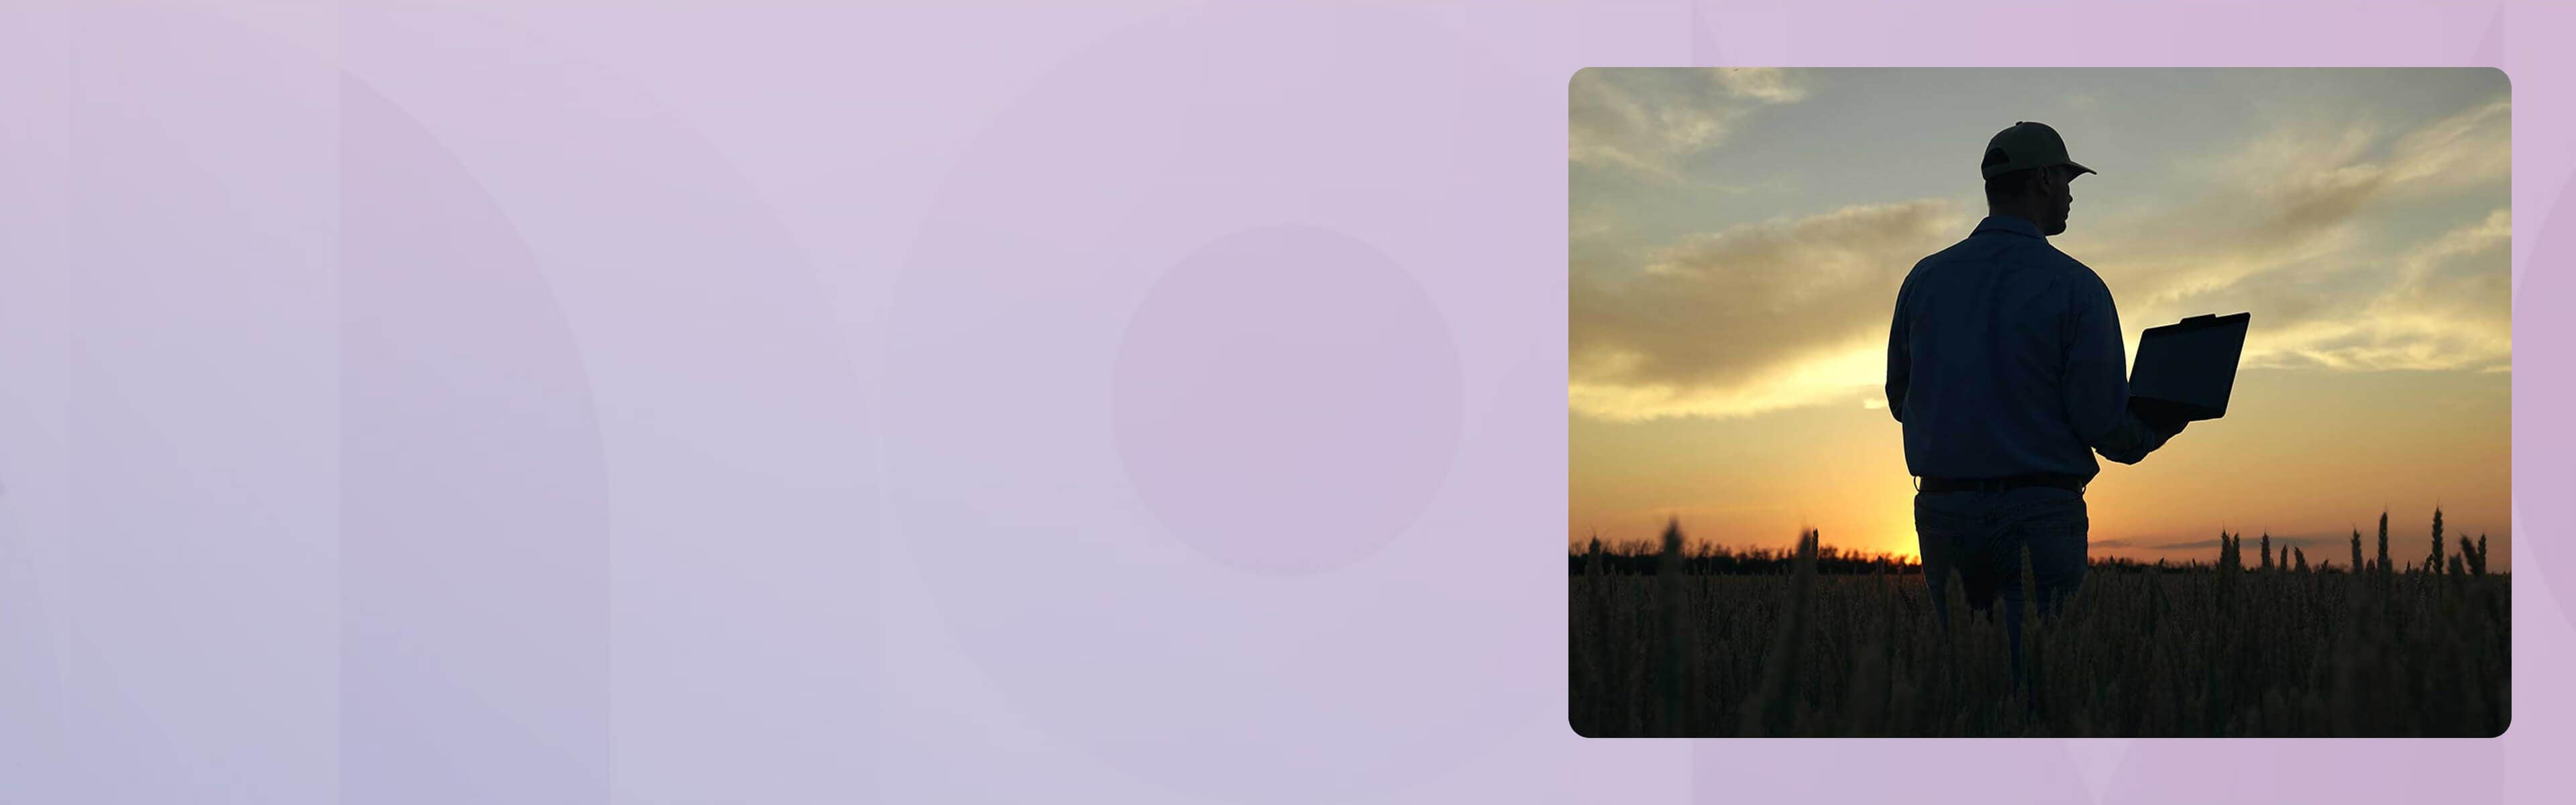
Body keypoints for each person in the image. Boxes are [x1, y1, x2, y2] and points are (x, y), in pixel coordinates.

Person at [1883, 121, 2189, 675]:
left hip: (1944, 512)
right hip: (2041, 515)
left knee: (1969, 695)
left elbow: (1900, 397)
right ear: (2044, 180)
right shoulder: (2077, 287)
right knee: (2040, 693)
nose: (2072, 193)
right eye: (2068, 179)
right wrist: (2162, 421)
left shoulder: (1923, 280)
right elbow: (2103, 423)